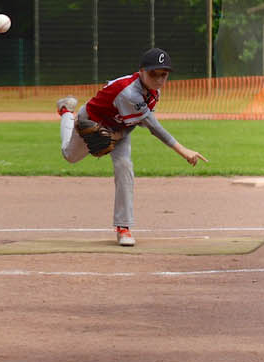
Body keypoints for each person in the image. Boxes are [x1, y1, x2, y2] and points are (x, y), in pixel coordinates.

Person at [57, 46, 206, 245]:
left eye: (164, 74)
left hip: (119, 128)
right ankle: (66, 112)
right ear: (141, 71)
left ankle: (123, 228)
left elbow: (136, 121)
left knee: (124, 166)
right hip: (91, 121)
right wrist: (183, 151)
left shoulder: (154, 92)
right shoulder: (129, 92)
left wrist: (118, 135)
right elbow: (154, 127)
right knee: (69, 156)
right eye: (154, 74)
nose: (159, 80)